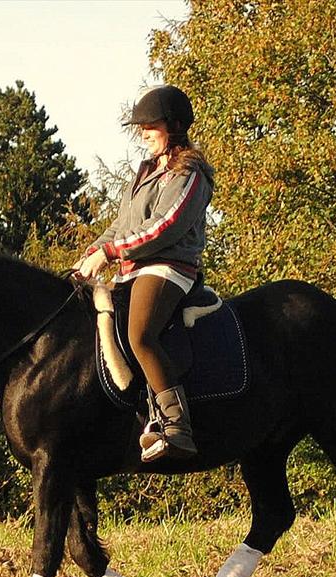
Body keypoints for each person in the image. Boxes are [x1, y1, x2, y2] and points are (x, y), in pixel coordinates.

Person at [73, 85, 215, 462]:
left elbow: (164, 227)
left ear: (174, 126)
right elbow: (121, 226)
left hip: (169, 268)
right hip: (132, 269)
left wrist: (110, 252)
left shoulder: (189, 174)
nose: (143, 133)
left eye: (150, 125)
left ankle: (176, 425)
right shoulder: (146, 174)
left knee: (140, 334)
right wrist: (90, 254)